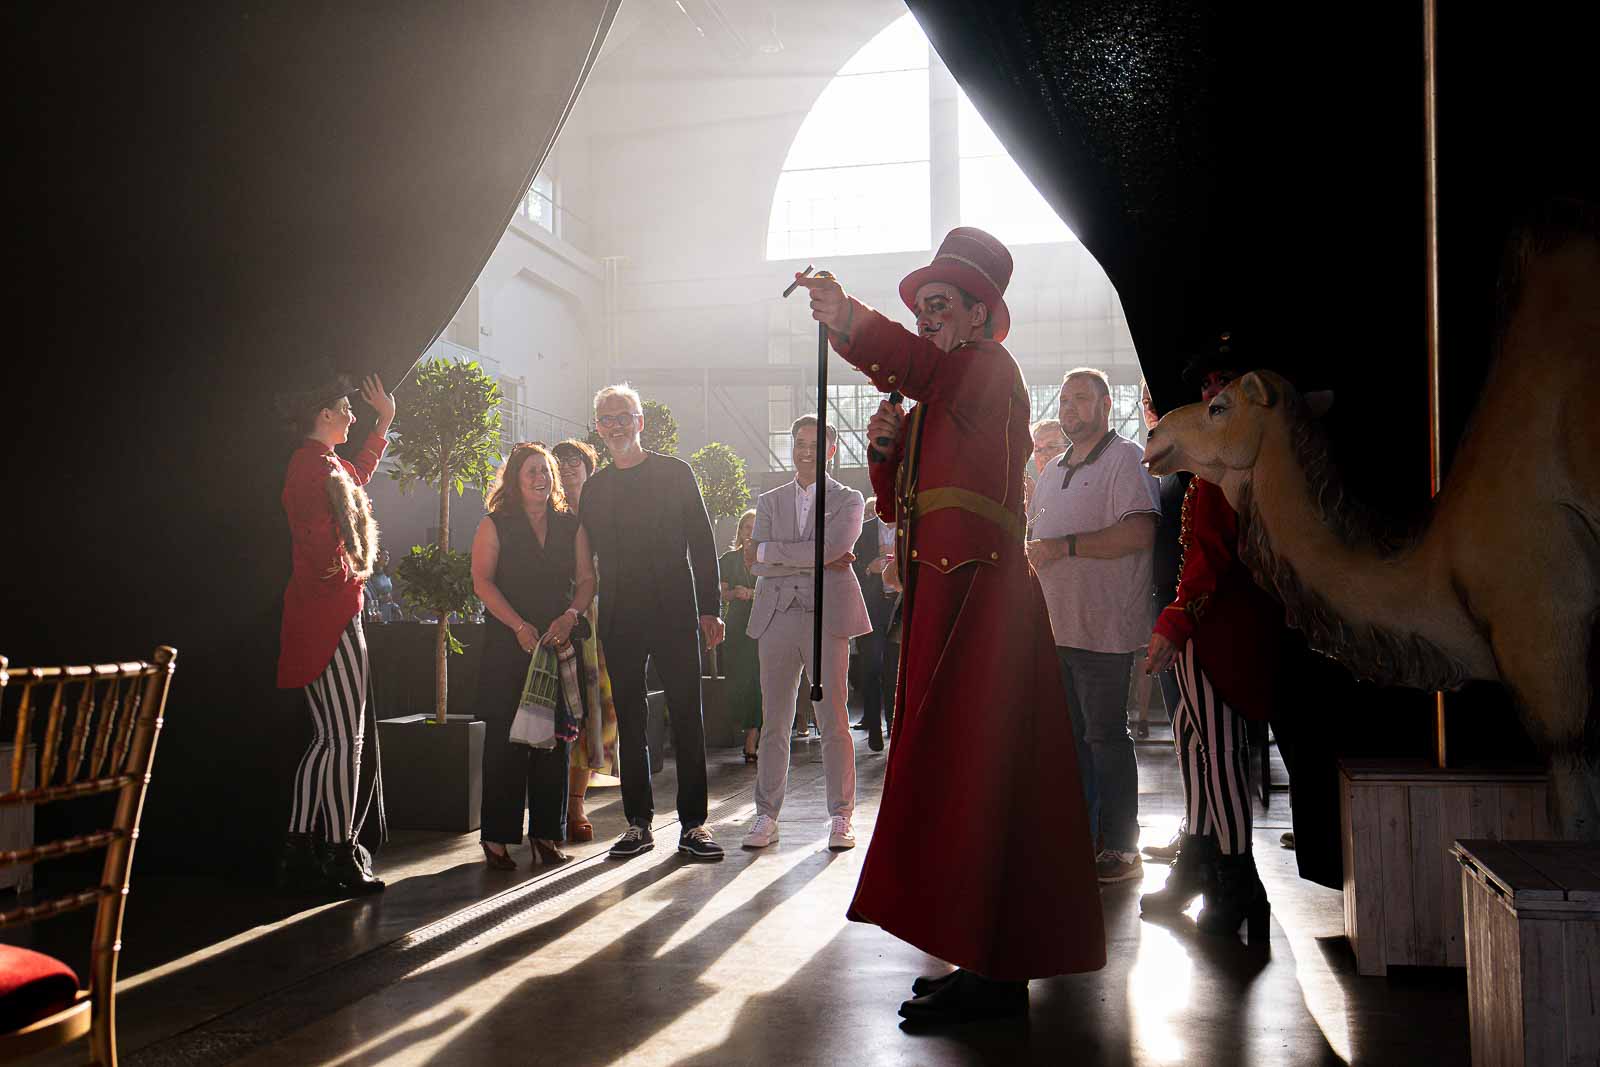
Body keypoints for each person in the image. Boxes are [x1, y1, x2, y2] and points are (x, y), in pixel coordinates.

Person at [791, 226, 1104, 1024]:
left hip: (985, 607)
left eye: (939, 305)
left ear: (978, 314)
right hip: (945, 603)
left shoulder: (986, 370)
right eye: (922, 306)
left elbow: (921, 370)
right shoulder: (947, 390)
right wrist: (889, 457)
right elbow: (907, 511)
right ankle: (980, 957)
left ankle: (996, 974)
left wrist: (849, 320)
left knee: (979, 778)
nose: (927, 317)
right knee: (959, 781)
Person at [1141, 337, 1285, 941]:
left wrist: (1177, 621)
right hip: (1207, 626)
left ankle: (1237, 877)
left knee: (1219, 755)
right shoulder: (1212, 473)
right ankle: (1203, 863)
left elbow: (1210, 559)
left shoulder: (1231, 474)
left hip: (1218, 626)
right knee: (1196, 746)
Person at [578, 383, 725, 862]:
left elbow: (703, 544)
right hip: (619, 616)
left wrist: (710, 608)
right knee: (632, 722)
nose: (617, 425)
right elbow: (584, 557)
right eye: (608, 418)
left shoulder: (675, 473)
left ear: (640, 422)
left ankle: (695, 825)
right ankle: (638, 824)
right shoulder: (595, 489)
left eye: (625, 416)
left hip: (675, 610)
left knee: (687, 716)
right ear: (599, 429)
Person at [1026, 368, 1161, 884]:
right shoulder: (1053, 466)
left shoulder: (1124, 457)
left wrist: (1065, 547)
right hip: (1056, 628)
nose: (1069, 408)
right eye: (1063, 400)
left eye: (1081, 399)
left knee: (1105, 735)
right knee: (1074, 740)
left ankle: (1124, 848)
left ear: (1106, 405)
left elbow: (1139, 532)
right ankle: (1085, 834)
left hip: (1102, 627)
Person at [275, 371, 394, 897]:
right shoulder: (309, 465)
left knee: (328, 738)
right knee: (346, 738)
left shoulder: (317, 463)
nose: (351, 414)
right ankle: (341, 850)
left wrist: (382, 425)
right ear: (324, 413)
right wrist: (346, 576)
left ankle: (302, 848)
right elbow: (318, 537)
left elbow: (355, 479)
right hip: (331, 614)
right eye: (345, 407)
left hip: (321, 611)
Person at [741, 416, 870, 852]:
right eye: (798, 442)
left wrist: (779, 554)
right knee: (774, 721)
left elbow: (833, 549)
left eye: (815, 444)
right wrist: (813, 558)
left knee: (833, 719)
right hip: (775, 616)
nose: (805, 450)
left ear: (830, 450)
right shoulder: (770, 498)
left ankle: (841, 816)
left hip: (826, 616)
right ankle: (766, 815)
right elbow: (752, 561)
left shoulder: (849, 499)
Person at [470, 442, 596, 870]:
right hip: (510, 644)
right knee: (508, 744)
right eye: (531, 472)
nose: (541, 477)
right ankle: (497, 838)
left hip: (558, 643)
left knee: (554, 743)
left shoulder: (570, 526)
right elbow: (483, 583)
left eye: (546, 470)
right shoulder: (495, 523)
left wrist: (570, 617)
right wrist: (518, 626)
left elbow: (585, 580)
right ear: (515, 480)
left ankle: (546, 834)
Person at [552, 437, 619, 844]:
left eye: (576, 460)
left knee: (597, 715)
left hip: (601, 622)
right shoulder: (548, 514)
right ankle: (553, 805)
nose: (569, 466)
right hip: (558, 620)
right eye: (560, 460)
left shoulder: (602, 513)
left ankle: (576, 803)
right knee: (560, 714)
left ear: (590, 468)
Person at [1140, 378, 1192, 862]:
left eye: (1160, 402)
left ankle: (1207, 840)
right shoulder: (1161, 471)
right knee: (1184, 728)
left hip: (1191, 613)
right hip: (1165, 606)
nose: (1152, 412)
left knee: (1203, 733)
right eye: (1148, 403)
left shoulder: (1194, 470)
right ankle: (1196, 829)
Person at [851, 496, 895, 751]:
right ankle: (874, 729)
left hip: (899, 608)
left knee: (894, 668)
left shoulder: (910, 528)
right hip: (871, 608)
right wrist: (869, 568)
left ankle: (893, 724)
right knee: (870, 667)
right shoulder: (863, 531)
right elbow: (849, 570)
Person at [718, 508, 762, 763]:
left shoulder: (767, 559)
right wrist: (736, 593)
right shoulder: (728, 559)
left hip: (761, 625)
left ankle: (752, 738)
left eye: (755, 528)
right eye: (746, 527)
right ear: (740, 531)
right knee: (737, 678)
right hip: (735, 626)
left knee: (756, 679)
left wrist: (754, 594)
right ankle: (747, 726)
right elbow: (722, 594)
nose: (750, 533)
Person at [1023, 418, 1067, 516]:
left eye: (1051, 447)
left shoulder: (1081, 486)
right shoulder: (1028, 489)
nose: (1043, 456)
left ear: (1069, 449)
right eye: (1038, 450)